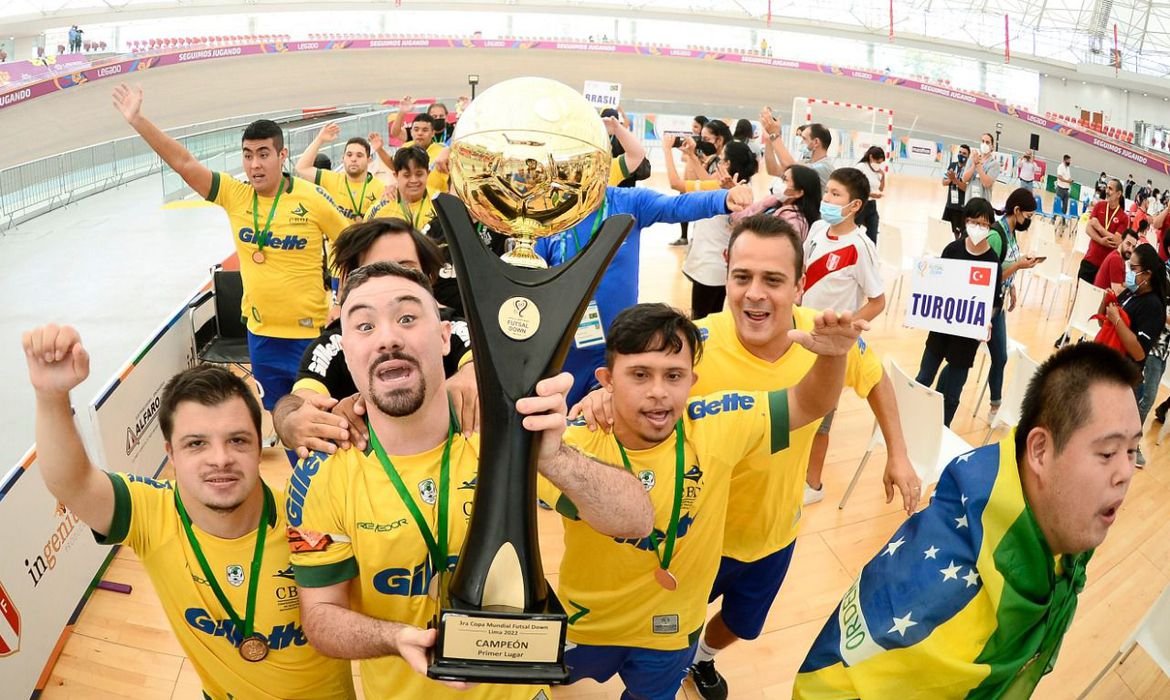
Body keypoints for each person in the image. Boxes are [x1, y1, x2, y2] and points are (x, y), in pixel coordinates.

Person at [571, 215, 921, 700]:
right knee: (671, 631)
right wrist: (598, 396)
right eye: (743, 277)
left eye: (773, 280)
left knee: (739, 625)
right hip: (693, 538)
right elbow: (635, 377)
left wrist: (897, 454)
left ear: (800, 285)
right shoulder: (696, 346)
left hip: (774, 531)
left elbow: (874, 375)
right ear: (727, 272)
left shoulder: (826, 339)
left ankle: (703, 661)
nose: (755, 293)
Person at [288, 262, 654, 700]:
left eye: (407, 317)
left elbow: (637, 520)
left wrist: (556, 459)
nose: (388, 337)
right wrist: (395, 638)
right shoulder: (323, 473)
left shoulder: (512, 432)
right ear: (347, 353)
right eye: (365, 326)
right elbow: (320, 616)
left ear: (445, 337)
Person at [550, 302, 861, 700]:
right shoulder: (571, 446)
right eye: (640, 375)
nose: (659, 392)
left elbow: (807, 404)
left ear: (693, 380)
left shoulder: (719, 422)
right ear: (607, 380)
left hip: (673, 630)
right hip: (584, 624)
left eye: (674, 375)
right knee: (540, 684)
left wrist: (833, 357)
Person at [794, 342, 1142, 698]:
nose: (1125, 471)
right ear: (1039, 450)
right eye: (1107, 452)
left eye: (1132, 450)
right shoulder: (946, 617)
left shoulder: (1057, 512)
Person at [23, 333, 356, 699]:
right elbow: (73, 483)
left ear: (259, 447)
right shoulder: (153, 514)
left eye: (238, 440)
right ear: (171, 452)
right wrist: (51, 397)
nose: (220, 459)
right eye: (196, 443)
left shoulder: (312, 521)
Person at [112, 84, 352, 431]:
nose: (255, 164)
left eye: (264, 154)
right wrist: (138, 121)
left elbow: (351, 248)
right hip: (261, 336)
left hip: (309, 336)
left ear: (282, 156)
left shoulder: (312, 198)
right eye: (248, 154)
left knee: (321, 420)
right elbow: (183, 163)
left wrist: (342, 300)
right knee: (283, 420)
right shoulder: (235, 195)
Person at [533, 166, 754, 405]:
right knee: (567, 420)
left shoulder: (627, 203)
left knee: (617, 420)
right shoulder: (549, 214)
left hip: (621, 345)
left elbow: (674, 207)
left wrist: (722, 199)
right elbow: (535, 281)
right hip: (568, 346)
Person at [272, 218, 478, 460]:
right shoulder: (334, 342)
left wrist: (475, 374)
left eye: (406, 268)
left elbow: (480, 357)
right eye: (378, 270)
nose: (392, 279)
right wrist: (290, 421)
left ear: (428, 277)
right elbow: (299, 402)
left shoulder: (451, 325)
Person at [800, 168, 887, 500]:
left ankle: (813, 484)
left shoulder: (861, 246)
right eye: (827, 193)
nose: (827, 200)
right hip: (802, 335)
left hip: (831, 349)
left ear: (854, 205)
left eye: (836, 195)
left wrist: (844, 328)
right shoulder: (819, 228)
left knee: (822, 417)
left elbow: (877, 301)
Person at [915, 197, 1004, 426]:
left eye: (984, 224)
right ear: (966, 222)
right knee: (923, 378)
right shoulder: (953, 249)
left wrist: (988, 320)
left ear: (990, 227)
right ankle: (912, 421)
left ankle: (940, 431)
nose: (978, 228)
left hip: (967, 337)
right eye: (974, 222)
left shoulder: (992, 261)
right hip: (941, 329)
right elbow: (936, 285)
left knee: (952, 393)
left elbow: (994, 303)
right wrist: (919, 308)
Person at [662, 138, 759, 319]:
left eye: (721, 159)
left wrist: (667, 149)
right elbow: (707, 183)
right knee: (712, 318)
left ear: (727, 163)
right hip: (721, 265)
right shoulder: (741, 187)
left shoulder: (733, 190)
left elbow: (677, 184)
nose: (717, 162)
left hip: (709, 266)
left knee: (700, 319)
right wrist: (691, 155)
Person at [1098, 243, 1169, 467]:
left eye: (1133, 268)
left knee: (1142, 401)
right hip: (1107, 365)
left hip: (1123, 376)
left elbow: (1139, 352)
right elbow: (1105, 317)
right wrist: (1107, 302)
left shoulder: (1153, 307)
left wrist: (1117, 320)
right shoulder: (1132, 292)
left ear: (1147, 273)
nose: (1129, 272)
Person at [984, 188, 1040, 420]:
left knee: (1000, 357)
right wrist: (1018, 266)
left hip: (999, 305)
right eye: (1027, 216)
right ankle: (994, 406)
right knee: (967, 358)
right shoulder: (996, 236)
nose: (1029, 221)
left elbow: (1005, 267)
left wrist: (1013, 286)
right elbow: (988, 276)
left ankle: (995, 405)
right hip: (986, 306)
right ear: (1016, 210)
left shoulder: (1012, 233)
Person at [295, 123, 385, 221]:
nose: (353, 159)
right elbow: (302, 168)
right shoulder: (331, 179)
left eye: (359, 155)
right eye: (349, 155)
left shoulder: (380, 189)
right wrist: (319, 139)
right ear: (343, 159)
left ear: (368, 160)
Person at [729, 163, 822, 241]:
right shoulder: (771, 203)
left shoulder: (794, 222)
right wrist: (735, 198)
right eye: (781, 178)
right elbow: (739, 217)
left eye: (785, 180)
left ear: (798, 193)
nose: (779, 183)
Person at [760, 110, 834, 188]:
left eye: (804, 138)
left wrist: (774, 134)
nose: (800, 142)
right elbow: (773, 170)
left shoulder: (824, 167)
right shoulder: (805, 162)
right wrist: (768, 140)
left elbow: (791, 166)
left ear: (816, 142)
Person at [1080, 178, 1130, 284]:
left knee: (1098, 298)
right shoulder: (1099, 206)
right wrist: (1101, 241)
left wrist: (1099, 228)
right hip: (1090, 260)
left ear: (1118, 194)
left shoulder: (1124, 217)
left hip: (1105, 266)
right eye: (1107, 188)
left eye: (1110, 189)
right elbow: (1088, 229)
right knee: (1080, 295)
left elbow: (1117, 240)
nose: (1107, 191)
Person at [670, 116, 710, 247]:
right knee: (683, 209)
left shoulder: (707, 146)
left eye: (696, 127)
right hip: (687, 180)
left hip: (699, 182)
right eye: (693, 126)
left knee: (700, 210)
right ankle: (683, 236)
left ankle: (696, 238)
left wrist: (695, 156)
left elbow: (707, 160)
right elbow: (683, 157)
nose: (693, 129)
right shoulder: (691, 141)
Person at [1093, 228, 1140, 294]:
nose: (1130, 250)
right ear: (1121, 241)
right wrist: (1136, 292)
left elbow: (1122, 283)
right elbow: (1117, 291)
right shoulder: (1116, 259)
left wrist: (1136, 287)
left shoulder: (1119, 258)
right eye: (1128, 244)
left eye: (1133, 247)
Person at [855, 146, 886, 243]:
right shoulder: (861, 167)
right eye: (877, 162)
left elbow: (881, 188)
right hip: (861, 205)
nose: (878, 164)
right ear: (871, 157)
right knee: (854, 233)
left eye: (880, 163)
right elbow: (855, 187)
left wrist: (883, 175)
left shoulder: (878, 171)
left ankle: (870, 255)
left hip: (872, 206)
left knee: (873, 235)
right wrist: (871, 194)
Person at [941, 144, 972, 238]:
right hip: (950, 204)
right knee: (950, 231)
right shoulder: (952, 165)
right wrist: (951, 179)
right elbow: (944, 182)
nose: (961, 155)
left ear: (968, 156)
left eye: (964, 153)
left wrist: (955, 180)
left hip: (961, 207)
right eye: (960, 152)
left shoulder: (969, 170)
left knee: (962, 234)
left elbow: (966, 188)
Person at [962, 133, 999, 203]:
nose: (984, 144)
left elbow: (986, 183)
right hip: (969, 200)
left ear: (992, 147)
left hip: (983, 204)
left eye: (987, 142)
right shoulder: (972, 158)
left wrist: (978, 165)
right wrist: (973, 165)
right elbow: (964, 179)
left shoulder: (994, 164)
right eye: (983, 141)